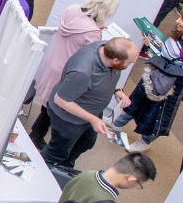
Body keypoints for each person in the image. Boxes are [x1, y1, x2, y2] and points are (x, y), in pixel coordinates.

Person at [29, 0, 119, 149]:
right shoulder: (93, 32)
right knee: (55, 106)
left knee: (47, 104)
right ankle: (36, 135)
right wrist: (98, 31)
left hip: (52, 62)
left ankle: (36, 133)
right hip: (67, 73)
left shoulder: (72, 9)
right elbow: (90, 55)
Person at [41, 38, 137, 168]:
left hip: (91, 114)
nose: (130, 65)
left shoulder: (108, 49)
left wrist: (117, 90)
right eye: (129, 63)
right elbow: (61, 99)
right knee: (57, 152)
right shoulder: (82, 72)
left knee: (85, 143)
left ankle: (64, 167)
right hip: (69, 120)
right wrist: (92, 119)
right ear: (116, 60)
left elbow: (110, 74)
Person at [109, 16, 183, 152]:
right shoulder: (178, 34)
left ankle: (145, 141)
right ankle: (117, 123)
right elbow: (165, 54)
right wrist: (152, 45)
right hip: (155, 74)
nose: (177, 20)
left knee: (157, 113)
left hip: (172, 85)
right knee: (137, 99)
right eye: (179, 17)